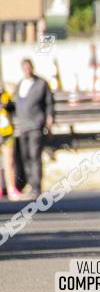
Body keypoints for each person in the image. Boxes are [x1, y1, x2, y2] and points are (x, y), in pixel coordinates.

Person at [13, 59, 54, 198]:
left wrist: (49, 119)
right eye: (24, 68)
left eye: (29, 67)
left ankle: (36, 186)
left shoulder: (41, 84)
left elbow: (49, 103)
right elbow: (15, 103)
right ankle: (30, 183)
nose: (27, 70)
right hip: (23, 126)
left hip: (36, 124)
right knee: (25, 156)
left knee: (35, 154)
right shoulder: (20, 85)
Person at [0, 88, 22, 200]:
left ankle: (11, 188)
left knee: (9, 162)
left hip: (7, 133)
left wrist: (5, 105)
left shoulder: (6, 96)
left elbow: (13, 107)